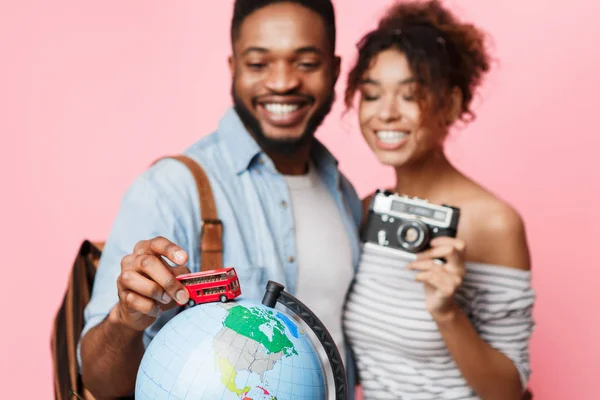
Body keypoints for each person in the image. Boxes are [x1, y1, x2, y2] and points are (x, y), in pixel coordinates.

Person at [77, 1, 364, 397]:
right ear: (233, 68)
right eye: (259, 64)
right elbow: (99, 381)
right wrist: (124, 320)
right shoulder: (169, 189)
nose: (282, 82)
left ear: (334, 69)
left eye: (306, 63)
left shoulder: (344, 193)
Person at [342, 1, 535, 399]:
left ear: (451, 104)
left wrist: (447, 313)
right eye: (373, 94)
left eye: (410, 96)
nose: (386, 114)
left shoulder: (493, 222)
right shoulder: (365, 210)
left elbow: (509, 392)